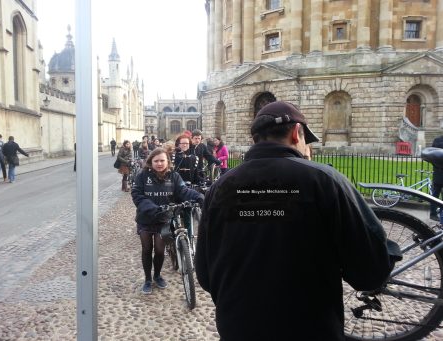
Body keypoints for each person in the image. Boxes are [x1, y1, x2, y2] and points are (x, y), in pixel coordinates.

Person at [195, 101, 401, 341]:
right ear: (296, 134)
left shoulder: (219, 188)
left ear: (255, 139)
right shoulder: (324, 180)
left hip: (238, 328)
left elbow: (205, 274)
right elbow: (370, 273)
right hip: (309, 329)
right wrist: (390, 250)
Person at [131, 148, 204, 294]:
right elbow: (137, 194)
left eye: (162, 160)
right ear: (151, 162)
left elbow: (183, 191)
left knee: (159, 250)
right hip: (146, 218)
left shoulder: (174, 176)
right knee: (146, 249)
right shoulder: (143, 176)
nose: (159, 163)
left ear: (168, 162)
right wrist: (152, 208)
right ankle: (147, 279)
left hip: (163, 219)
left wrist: (199, 196)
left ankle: (157, 275)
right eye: (156, 161)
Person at [430, 135, 443, 221]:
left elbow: (432, 155)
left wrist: (436, 166)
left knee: (435, 195)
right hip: (439, 172)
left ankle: (434, 214)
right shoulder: (438, 141)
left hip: (437, 172)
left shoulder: (437, 140)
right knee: (435, 195)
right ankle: (440, 216)